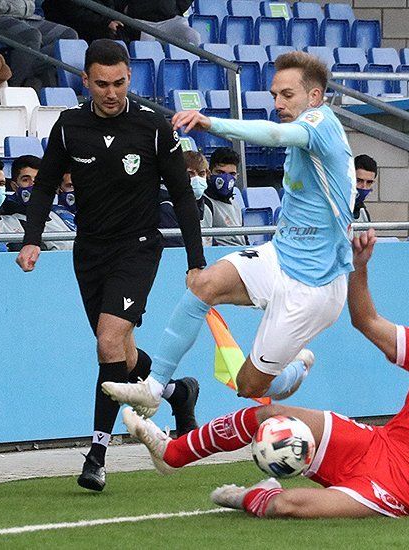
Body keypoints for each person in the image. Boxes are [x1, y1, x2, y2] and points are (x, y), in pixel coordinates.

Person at [123, 229, 409, 523]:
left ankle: (254, 495)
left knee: (289, 507)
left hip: (404, 493)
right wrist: (359, 269)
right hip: (375, 445)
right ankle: (173, 453)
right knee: (267, 413)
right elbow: (366, 322)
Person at [103, 51, 355, 416]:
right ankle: (153, 388)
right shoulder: (307, 134)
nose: (278, 103)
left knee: (248, 386)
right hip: (280, 256)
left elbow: (273, 134)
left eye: (287, 95)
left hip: (316, 286)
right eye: (273, 95)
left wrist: (211, 123)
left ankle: (298, 365)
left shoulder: (320, 123)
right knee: (203, 284)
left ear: (314, 97)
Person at [14, 39, 203, 492]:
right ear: (86, 81)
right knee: (118, 352)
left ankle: (97, 452)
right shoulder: (69, 126)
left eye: (119, 83)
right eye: (102, 84)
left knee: (107, 339)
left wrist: (197, 262)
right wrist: (32, 239)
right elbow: (43, 188)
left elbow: (181, 194)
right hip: (90, 251)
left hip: (138, 248)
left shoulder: (154, 127)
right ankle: (178, 392)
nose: (111, 92)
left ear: (129, 79)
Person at [0, 0, 78, 90]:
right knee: (30, 36)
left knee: (68, 35)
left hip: (24, 16)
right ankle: (14, 89)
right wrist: (16, 8)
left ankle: (25, 74)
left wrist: (23, 8)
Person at [7, 154, 74, 249]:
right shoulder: (8, 216)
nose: (33, 185)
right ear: (14, 186)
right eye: (26, 180)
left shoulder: (55, 213)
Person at [159, 150, 212, 247]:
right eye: (190, 174)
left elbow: (213, 245)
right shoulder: (167, 208)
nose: (196, 178)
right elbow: (176, 249)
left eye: (201, 174)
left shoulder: (207, 208)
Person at [203, 147, 245, 247]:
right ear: (209, 173)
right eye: (220, 173)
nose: (226, 178)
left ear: (237, 176)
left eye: (232, 174)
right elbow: (206, 244)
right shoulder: (204, 204)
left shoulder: (235, 204)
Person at [42, 0, 126, 44]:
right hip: (69, 23)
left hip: (95, 23)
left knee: (123, 30)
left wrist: (110, 20)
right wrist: (106, 22)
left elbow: (109, 5)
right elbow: (74, 12)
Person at [122, 0, 199, 45]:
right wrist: (126, 8)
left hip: (170, 20)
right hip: (138, 21)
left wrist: (174, 9)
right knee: (147, 38)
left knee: (192, 36)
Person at [353, 154, 376, 223]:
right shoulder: (333, 208)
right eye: (359, 181)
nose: (364, 187)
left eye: (369, 182)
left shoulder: (363, 213)